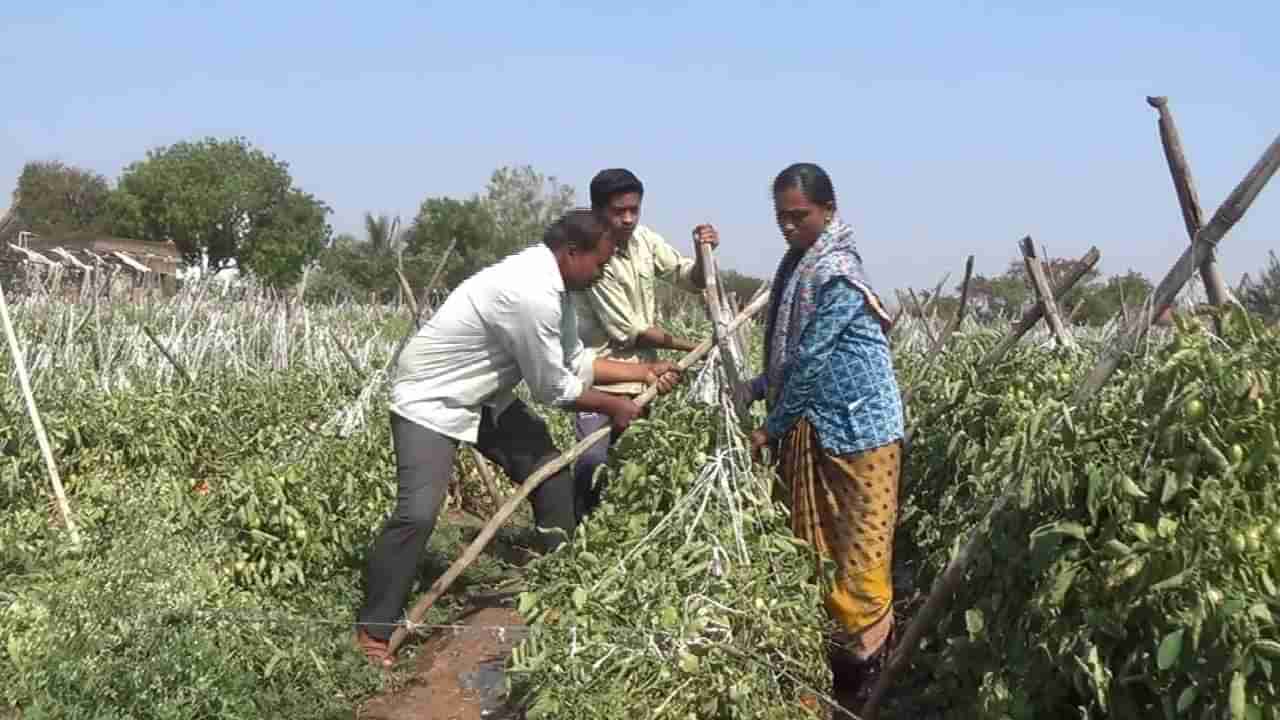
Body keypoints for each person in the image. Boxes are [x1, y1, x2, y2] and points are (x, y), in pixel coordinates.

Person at [355, 209, 682, 667]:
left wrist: (644, 370)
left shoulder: (560, 288)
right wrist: (615, 404)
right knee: (418, 511)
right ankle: (374, 629)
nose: (603, 272)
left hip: (485, 397)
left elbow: (574, 361)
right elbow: (554, 389)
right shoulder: (531, 293)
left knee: (551, 478)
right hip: (432, 397)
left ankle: (563, 586)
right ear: (572, 253)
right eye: (600, 263)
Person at [741, 163, 905, 708]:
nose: (788, 227)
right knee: (822, 554)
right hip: (821, 426)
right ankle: (839, 668)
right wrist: (758, 386)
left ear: (829, 211)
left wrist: (771, 425)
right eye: (781, 218)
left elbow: (810, 361)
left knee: (859, 558)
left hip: (860, 435)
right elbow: (791, 359)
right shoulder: (797, 266)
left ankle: (869, 677)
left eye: (799, 216)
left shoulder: (833, 271)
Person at [570, 168, 719, 518]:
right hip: (602, 376)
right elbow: (631, 330)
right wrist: (696, 346)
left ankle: (617, 533)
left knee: (634, 466)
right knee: (593, 462)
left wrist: (702, 254)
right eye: (618, 211)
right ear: (598, 211)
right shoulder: (593, 259)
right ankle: (579, 531)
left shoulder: (644, 242)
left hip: (643, 377)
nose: (628, 219)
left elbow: (687, 277)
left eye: (634, 210)